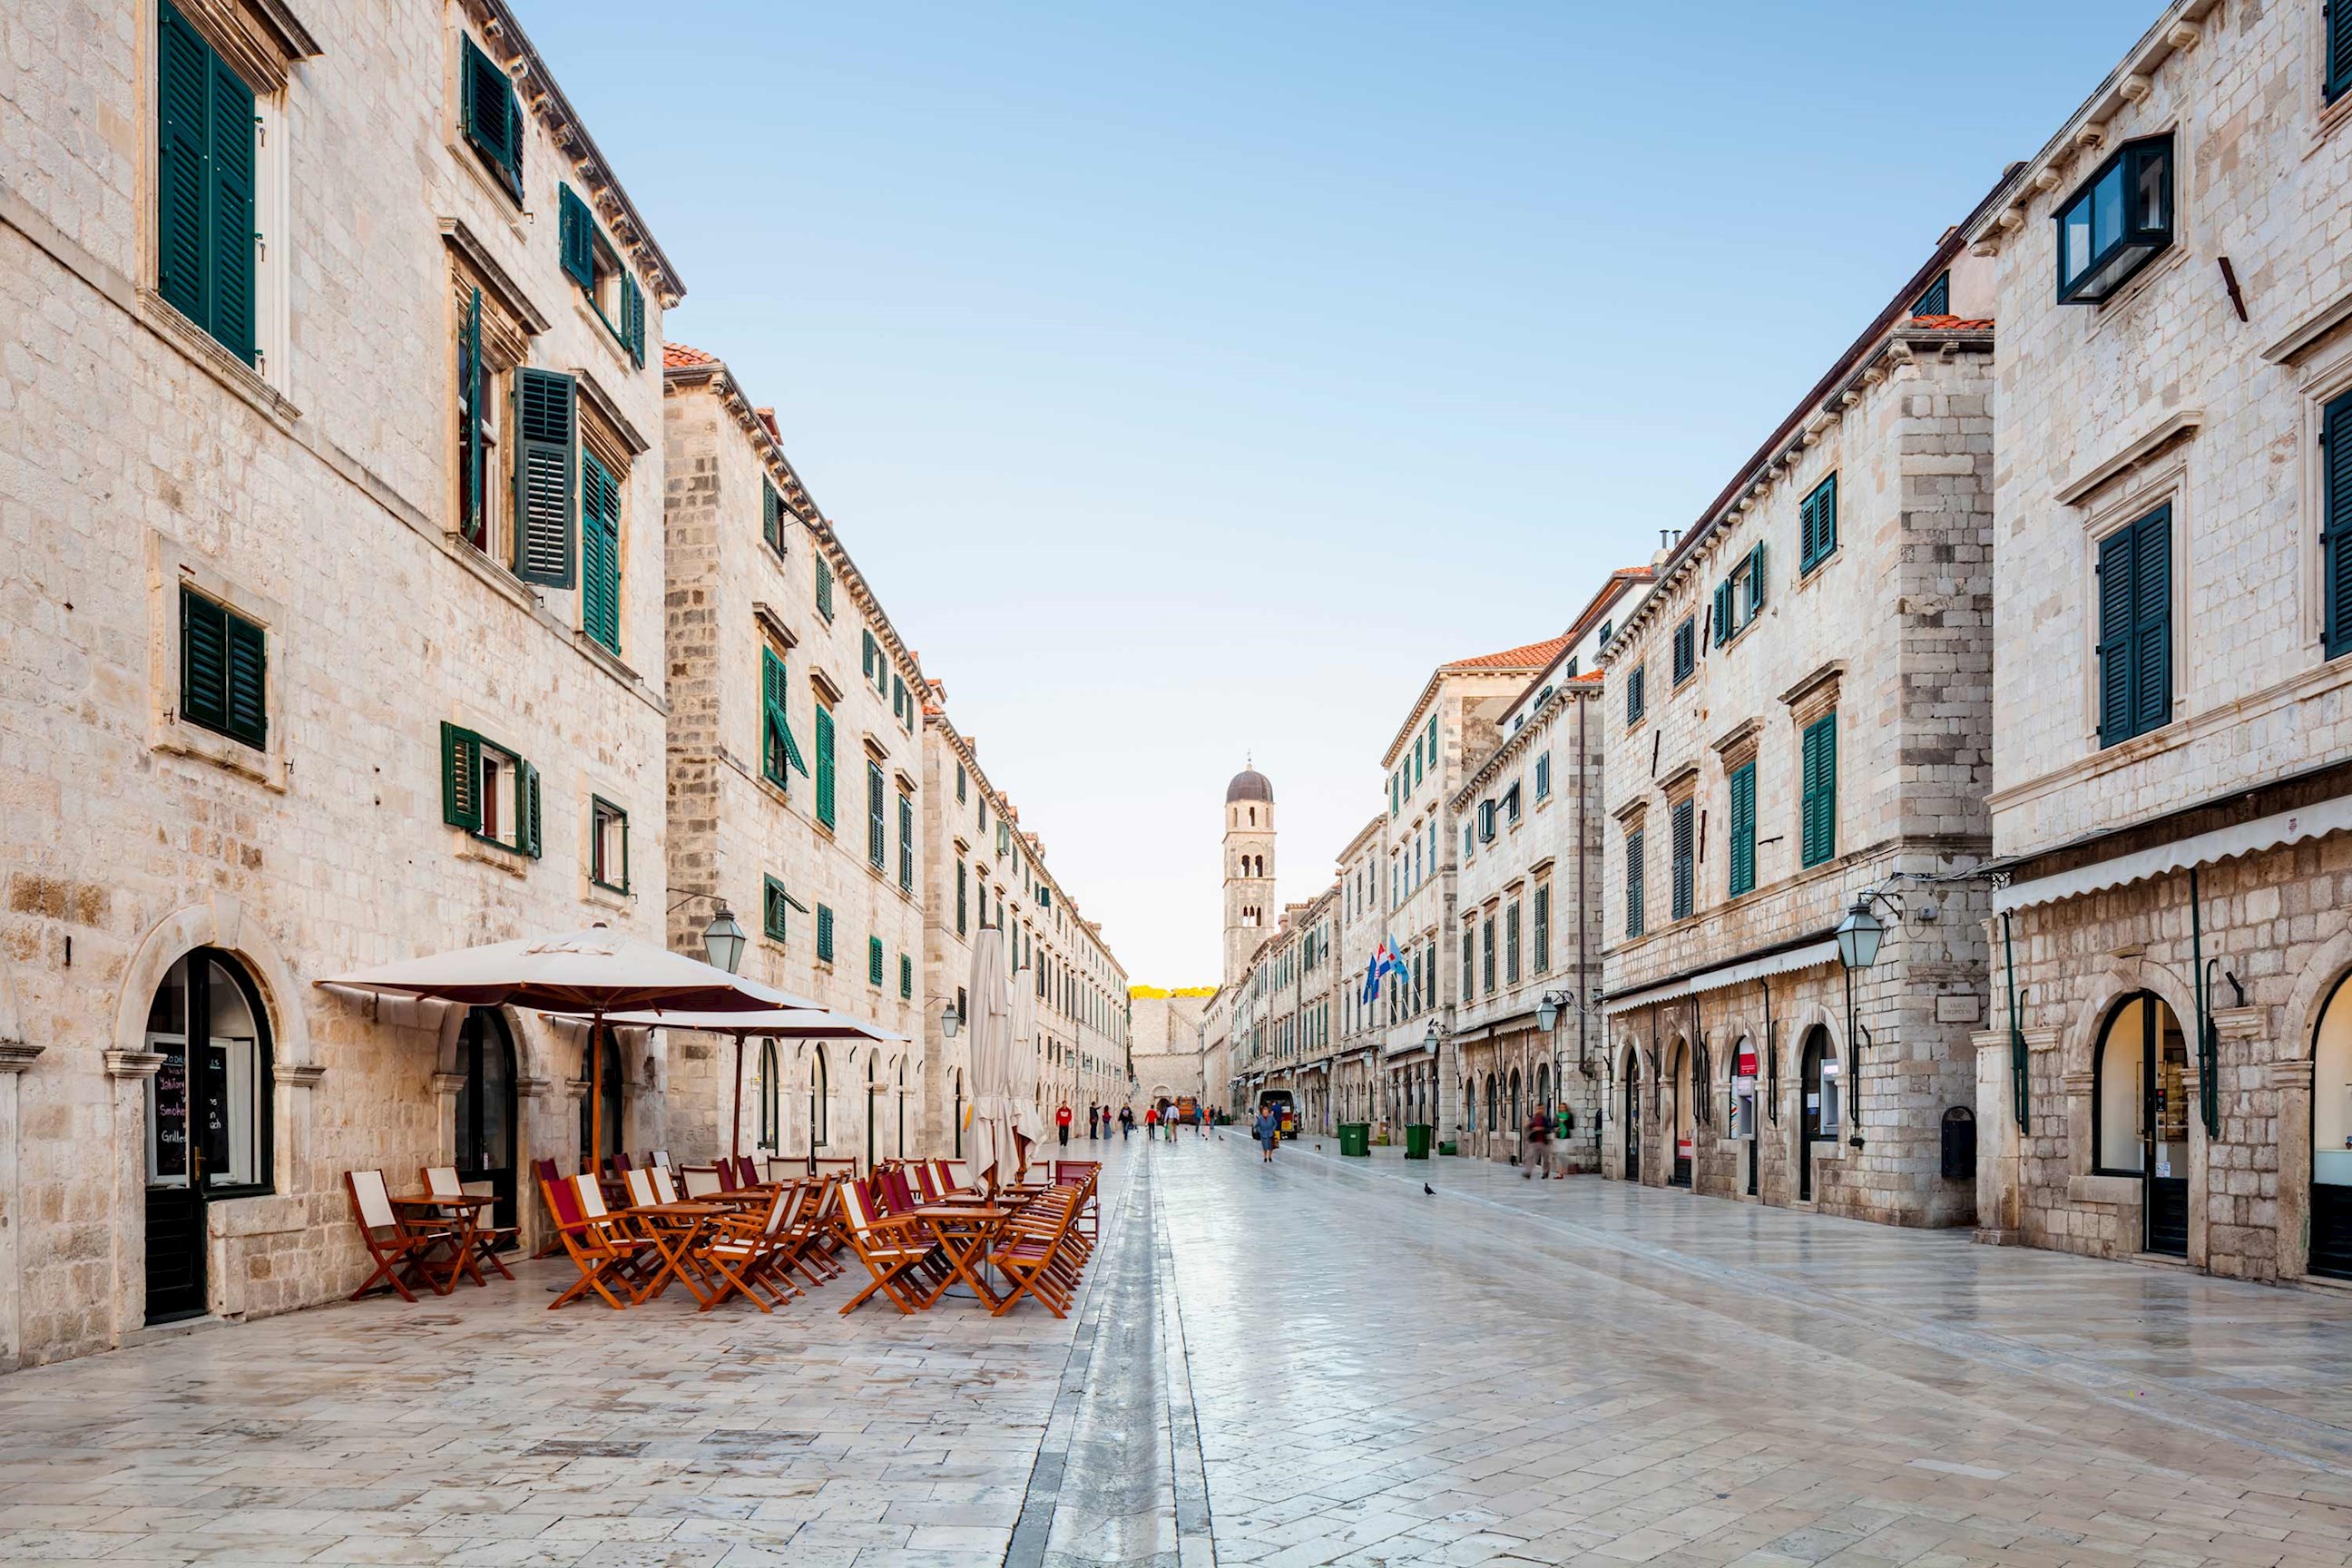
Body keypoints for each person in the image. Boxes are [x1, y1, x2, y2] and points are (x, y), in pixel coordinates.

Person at [1524, 1102, 1552, 1180]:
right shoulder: (1533, 1119)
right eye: (1539, 1108)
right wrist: (1529, 1127)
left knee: (1545, 1158)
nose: (1540, 1110)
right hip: (1534, 1141)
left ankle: (1545, 1172)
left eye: (1542, 1109)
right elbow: (1528, 1128)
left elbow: (1549, 1129)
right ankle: (1528, 1172)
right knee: (1532, 1157)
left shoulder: (1546, 1119)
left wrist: (1542, 1129)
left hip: (1543, 1141)